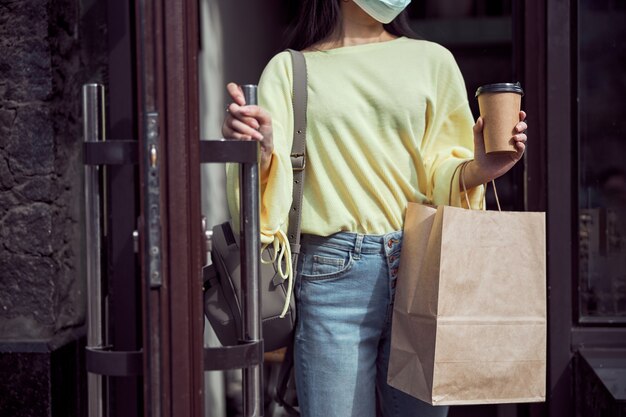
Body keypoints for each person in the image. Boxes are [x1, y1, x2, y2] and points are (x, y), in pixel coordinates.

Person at [222, 1, 528, 416]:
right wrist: (256, 150)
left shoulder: (432, 61)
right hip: (331, 276)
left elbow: (441, 169)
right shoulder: (290, 69)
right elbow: (264, 196)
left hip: (422, 264)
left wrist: (482, 167)